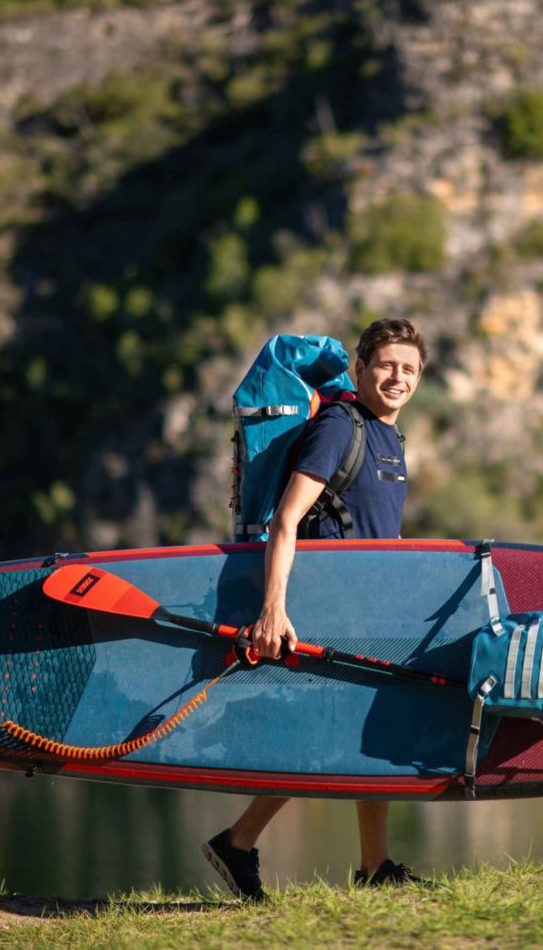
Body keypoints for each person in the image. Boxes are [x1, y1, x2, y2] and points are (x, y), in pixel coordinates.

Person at [202, 318, 429, 902]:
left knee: (358, 733)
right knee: (329, 736)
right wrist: (272, 609)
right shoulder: (340, 424)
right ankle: (241, 843)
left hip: (368, 611)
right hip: (321, 607)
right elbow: (286, 518)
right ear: (360, 370)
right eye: (386, 365)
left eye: (408, 368)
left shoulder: (391, 439)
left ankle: (371, 864)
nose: (396, 377)